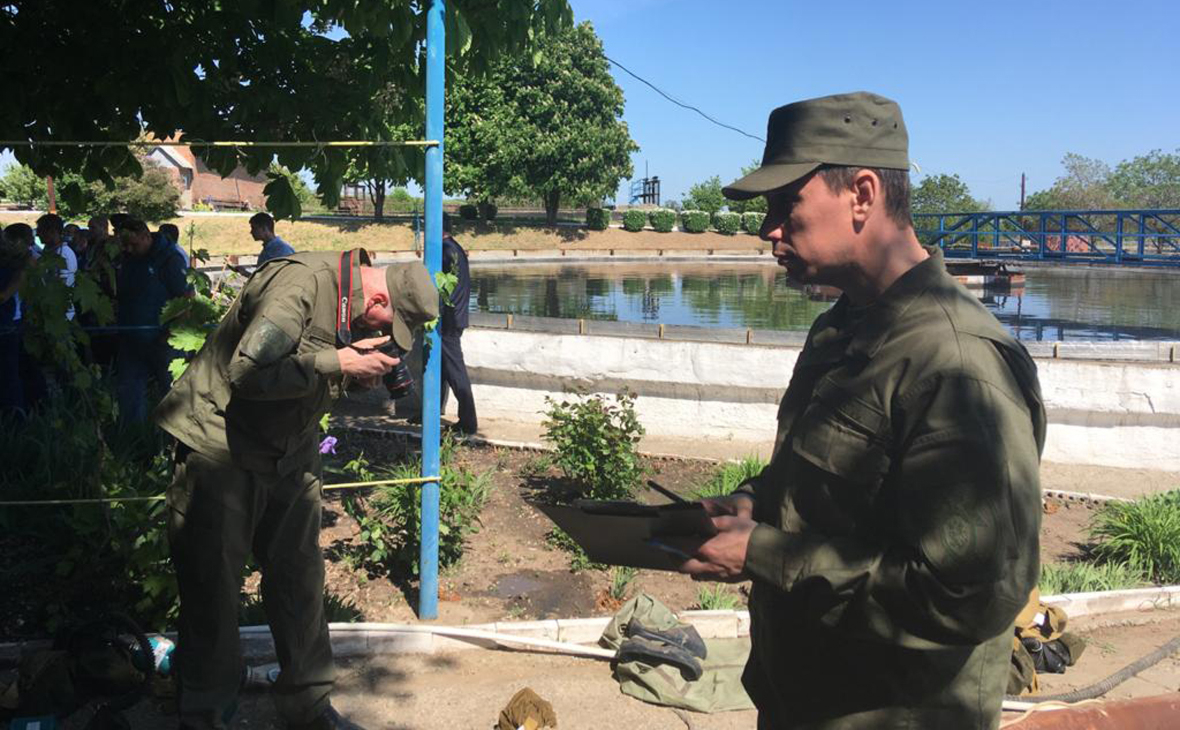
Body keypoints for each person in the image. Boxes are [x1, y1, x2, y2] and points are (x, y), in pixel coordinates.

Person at [671, 92, 1045, 729]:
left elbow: (968, 596)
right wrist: (754, 505)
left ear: (863, 194)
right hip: (804, 703)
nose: (768, 228)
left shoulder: (956, 365)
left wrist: (761, 554)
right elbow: (835, 487)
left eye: (786, 202)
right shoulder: (842, 330)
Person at [153, 250, 439, 730]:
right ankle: (204, 713)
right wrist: (335, 360)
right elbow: (245, 374)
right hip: (222, 446)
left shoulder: (353, 305)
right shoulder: (301, 286)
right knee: (213, 586)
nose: (386, 338)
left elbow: (304, 373)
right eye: (390, 326)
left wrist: (349, 368)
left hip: (288, 448)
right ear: (376, 298)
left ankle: (307, 707)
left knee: (301, 577)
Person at [115, 218, 191, 424]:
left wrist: (170, 334)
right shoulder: (126, 259)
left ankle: (176, 443)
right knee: (129, 394)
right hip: (131, 339)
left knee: (172, 396)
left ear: (146, 236)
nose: (129, 249)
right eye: (125, 245)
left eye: (134, 244)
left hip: (164, 341)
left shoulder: (169, 259)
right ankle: (135, 443)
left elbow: (186, 300)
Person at [440, 214, 478, 434]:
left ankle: (468, 422)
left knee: (455, 371)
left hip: (448, 320)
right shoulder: (455, 248)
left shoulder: (445, 251)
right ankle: (432, 411)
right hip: (456, 316)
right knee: (440, 367)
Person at [35, 213, 77, 320]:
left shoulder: (63, 254)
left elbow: (61, 286)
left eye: (40, 231)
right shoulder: (49, 252)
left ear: (52, 231)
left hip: (60, 314)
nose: (37, 234)